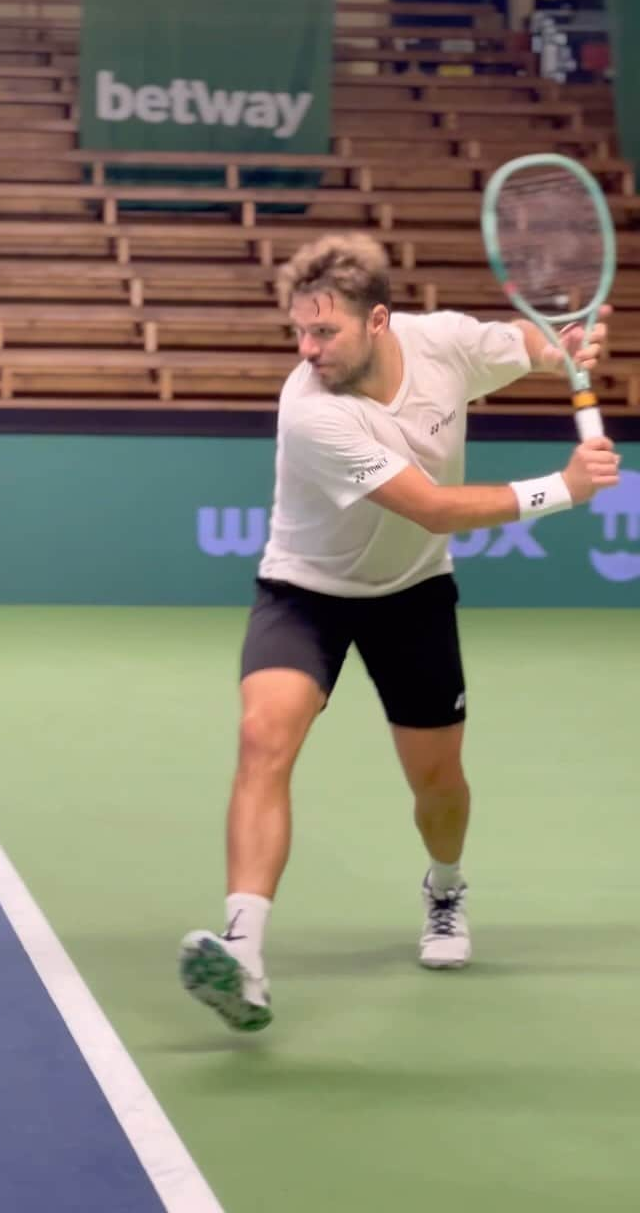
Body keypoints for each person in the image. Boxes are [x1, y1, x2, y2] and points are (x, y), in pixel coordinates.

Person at [178, 232, 618, 1034]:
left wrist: (566, 346)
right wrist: (563, 489)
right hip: (304, 590)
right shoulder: (311, 411)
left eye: (324, 332)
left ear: (378, 320)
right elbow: (434, 507)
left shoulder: (441, 342)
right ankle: (242, 952)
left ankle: (444, 887)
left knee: (438, 785)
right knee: (261, 737)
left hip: (412, 592)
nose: (307, 350)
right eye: (299, 332)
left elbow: (524, 342)